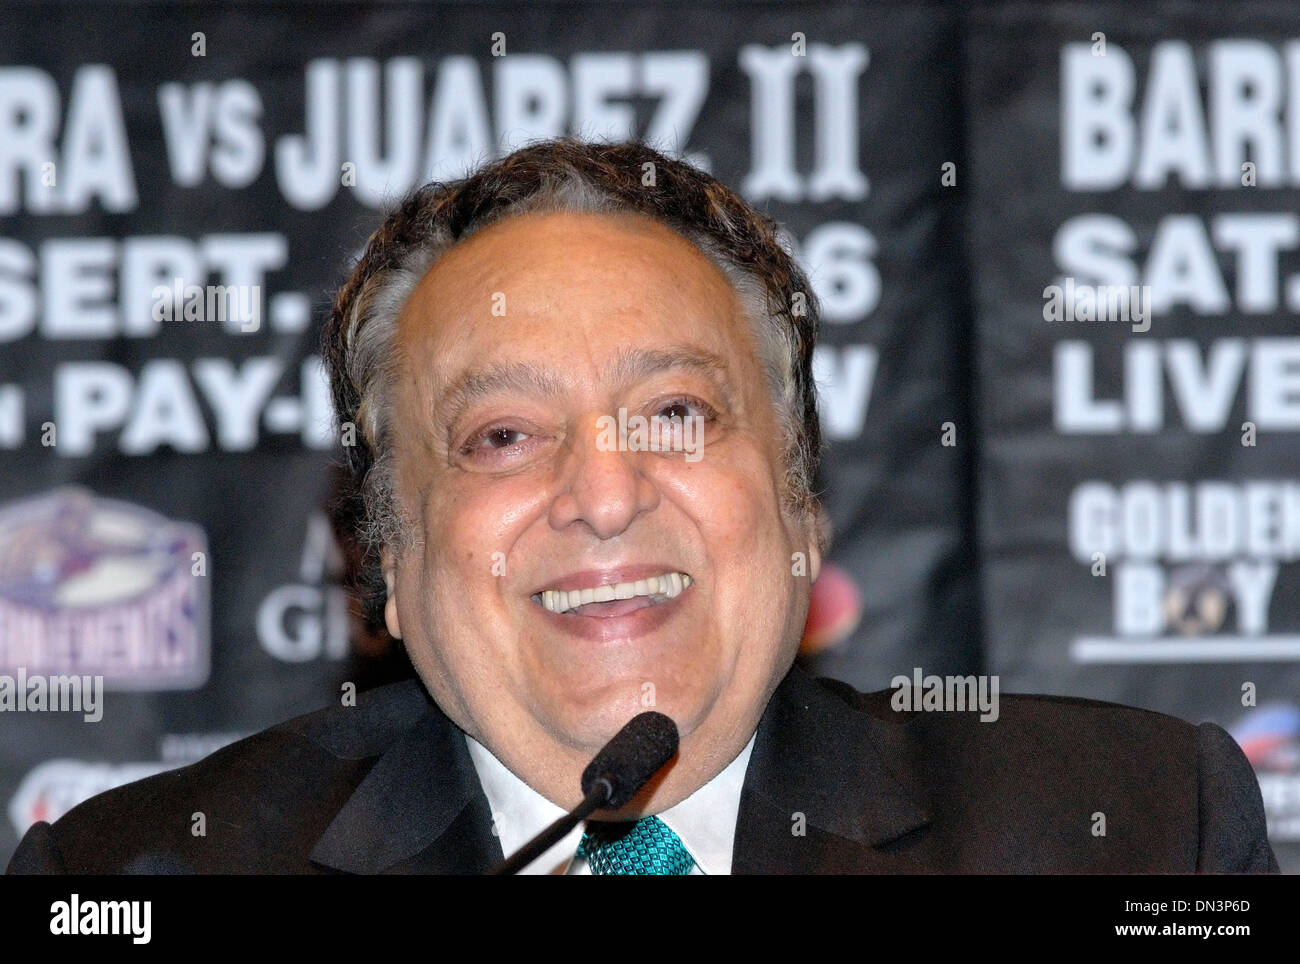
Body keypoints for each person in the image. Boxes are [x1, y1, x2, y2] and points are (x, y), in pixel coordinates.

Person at [7, 138, 1277, 874]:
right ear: (386, 557)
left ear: (799, 510)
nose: (603, 496)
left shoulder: (1138, 825)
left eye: (675, 414)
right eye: (502, 436)